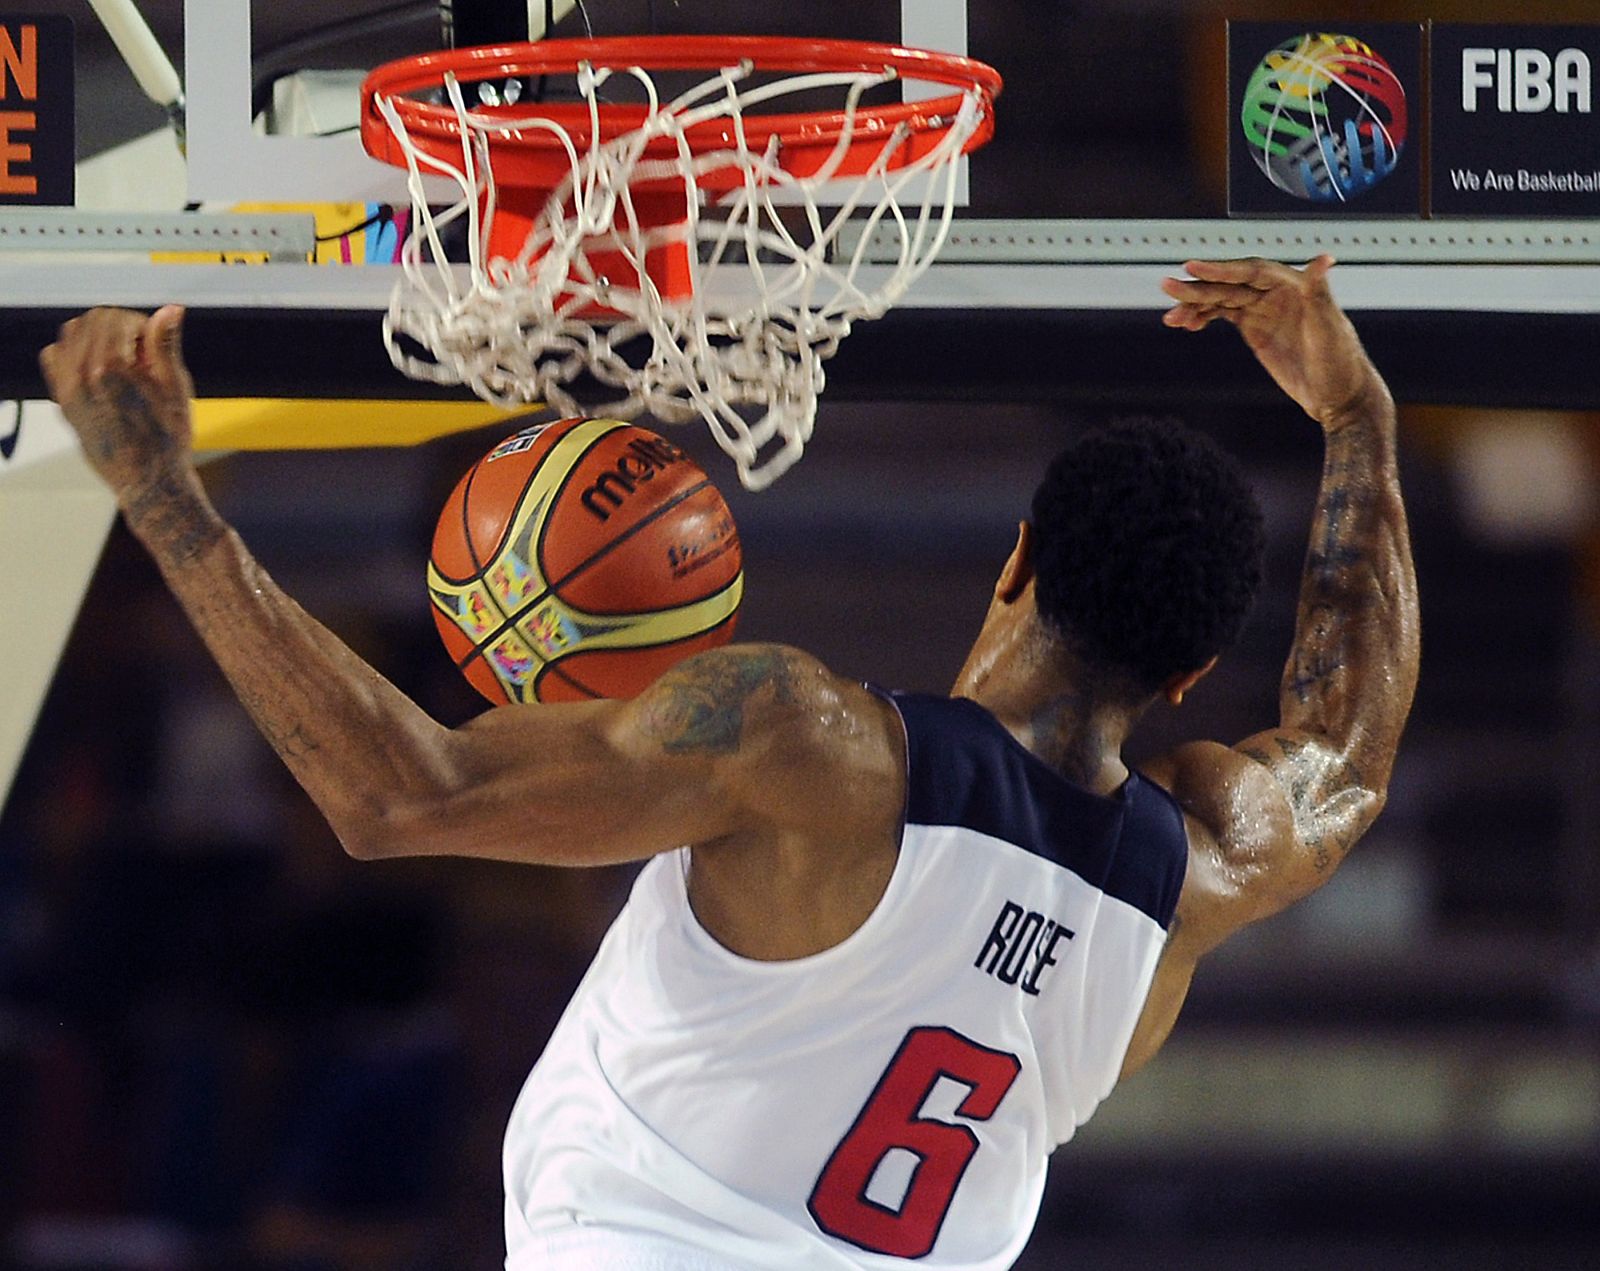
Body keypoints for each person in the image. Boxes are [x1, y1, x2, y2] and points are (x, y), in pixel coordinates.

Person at [40, 256, 1419, 1270]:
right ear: (1186, 676)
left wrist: (164, 496)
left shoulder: (804, 743)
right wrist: (1360, 418)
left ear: (1018, 561)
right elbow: (1349, 751)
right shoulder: (1201, 870)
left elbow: (397, 795)